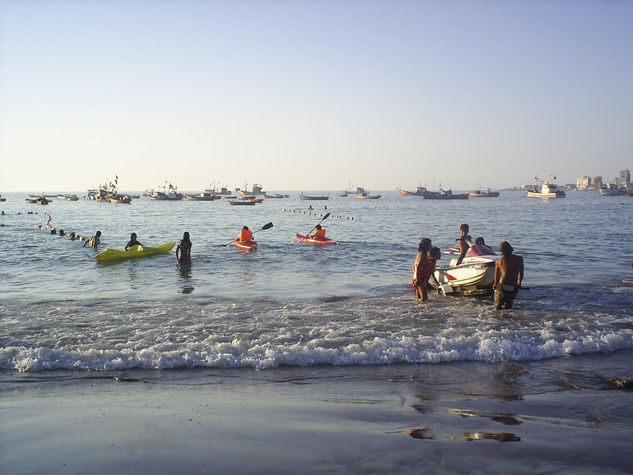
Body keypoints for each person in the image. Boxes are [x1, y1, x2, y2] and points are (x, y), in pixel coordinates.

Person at [493, 241, 524, 310]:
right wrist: (519, 284)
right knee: (508, 308)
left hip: (502, 286)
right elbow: (521, 274)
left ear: (501, 251)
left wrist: (495, 284)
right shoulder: (520, 259)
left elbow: (496, 276)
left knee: (497, 308)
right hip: (513, 286)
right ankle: (508, 320)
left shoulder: (499, 261)